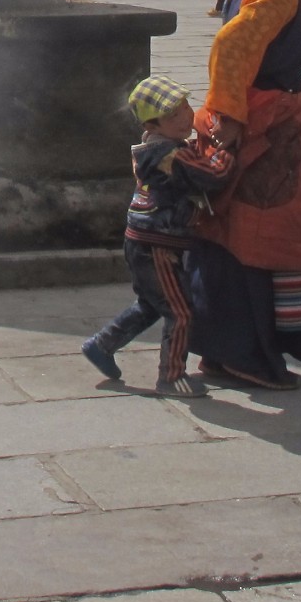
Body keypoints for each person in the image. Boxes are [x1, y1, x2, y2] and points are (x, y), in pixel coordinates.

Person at [185, 0, 301, 390]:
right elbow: (232, 47)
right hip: (260, 130)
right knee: (261, 237)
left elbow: (262, 58)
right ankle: (248, 354)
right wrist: (228, 117)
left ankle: (222, 350)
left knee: (230, 235)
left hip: (264, 115)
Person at [81, 74, 234, 396]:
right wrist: (226, 147)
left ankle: (102, 344)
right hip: (158, 246)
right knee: (179, 312)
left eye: (184, 109)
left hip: (145, 241)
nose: (185, 118)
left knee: (152, 304)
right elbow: (212, 175)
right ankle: (172, 376)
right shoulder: (170, 157)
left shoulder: (163, 148)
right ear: (152, 125)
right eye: (172, 116)